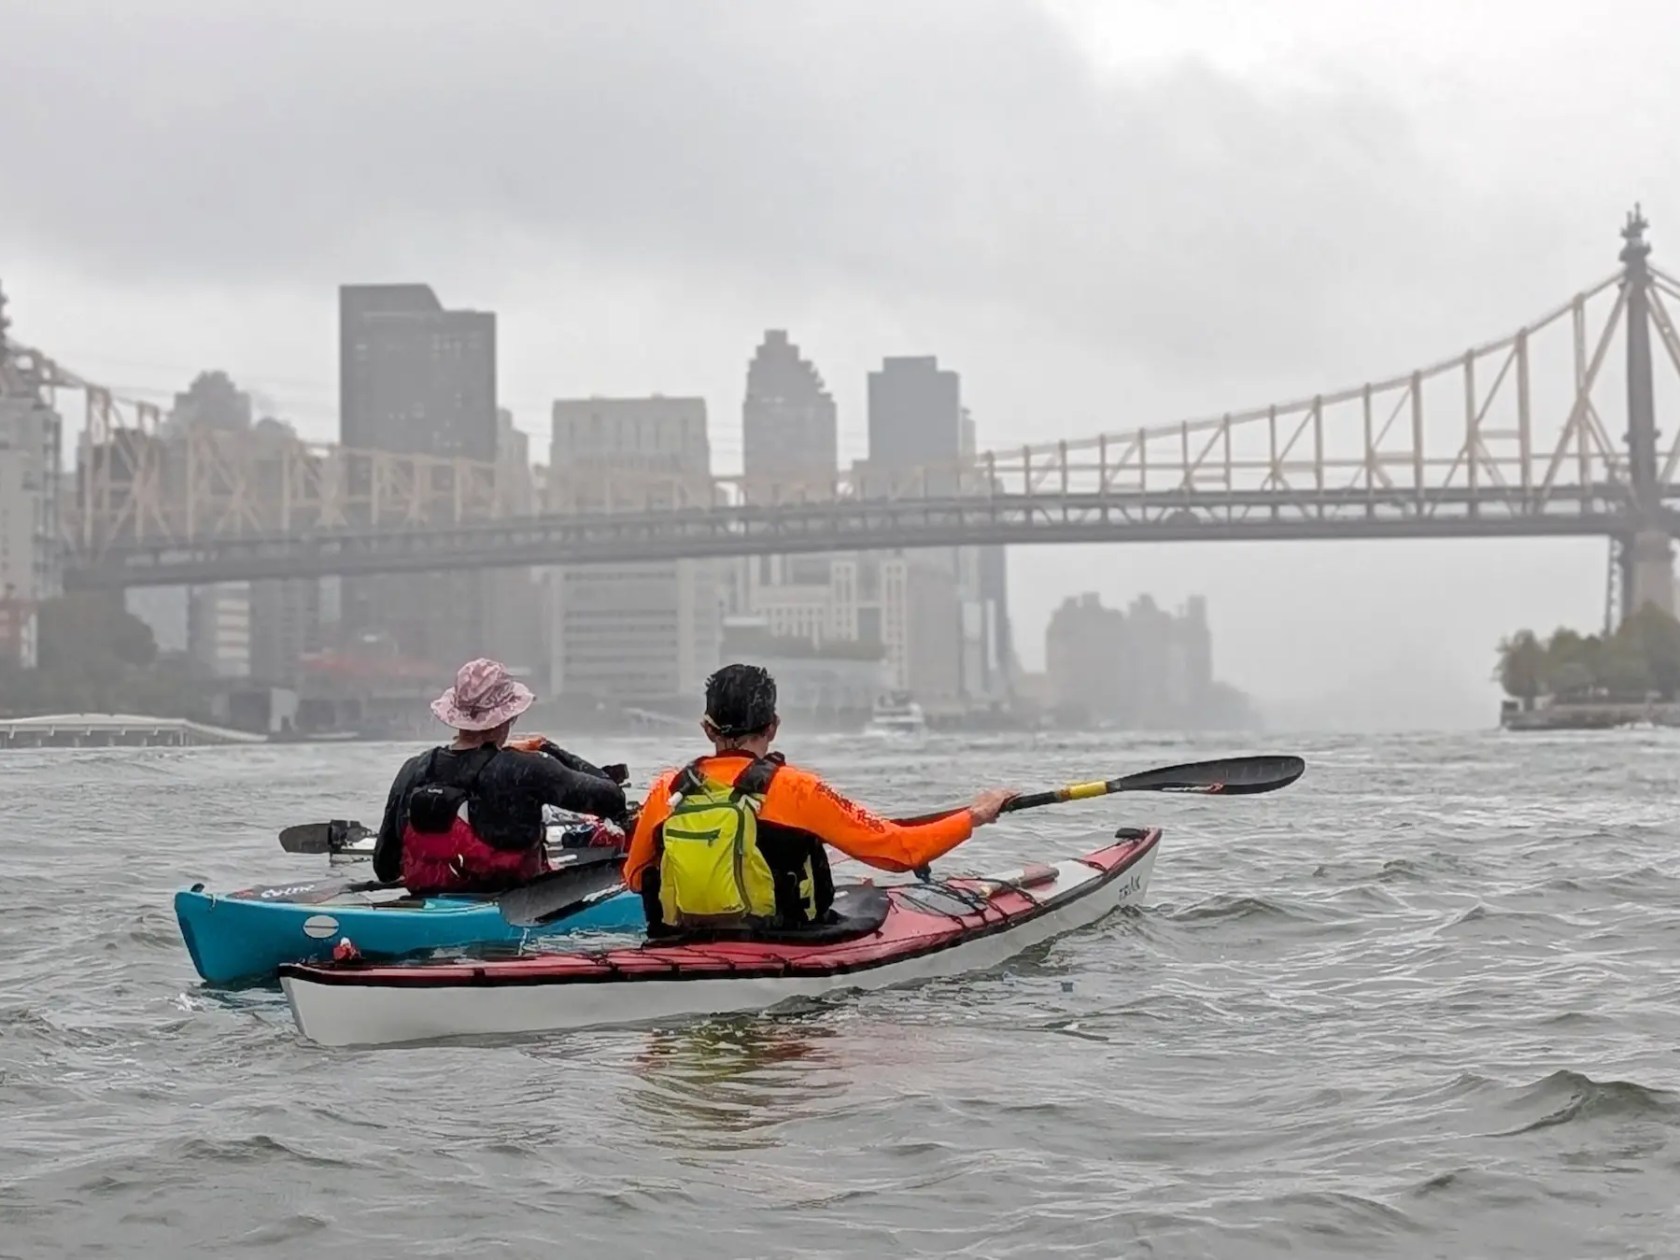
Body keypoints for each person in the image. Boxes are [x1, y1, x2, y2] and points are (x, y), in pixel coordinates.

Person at [624, 663, 1014, 935]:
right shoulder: (797, 789)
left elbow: (637, 879)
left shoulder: (668, 790)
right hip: (786, 942)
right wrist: (975, 816)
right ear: (773, 727)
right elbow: (901, 853)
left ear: (707, 729)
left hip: (679, 940)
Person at [373, 658, 631, 895]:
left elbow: (385, 869)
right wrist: (548, 749)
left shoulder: (414, 769)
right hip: (512, 909)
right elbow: (613, 799)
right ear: (508, 717)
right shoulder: (527, 768)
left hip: (427, 901)